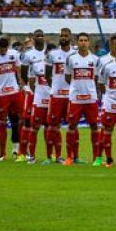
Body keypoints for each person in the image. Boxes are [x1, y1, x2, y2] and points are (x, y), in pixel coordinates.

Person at [63, 32, 100, 166]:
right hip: (75, 99)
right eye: (81, 40)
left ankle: (96, 157)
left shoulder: (95, 59)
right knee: (72, 125)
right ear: (77, 43)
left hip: (91, 98)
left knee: (94, 126)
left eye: (85, 40)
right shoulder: (71, 59)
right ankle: (70, 157)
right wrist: (76, 87)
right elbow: (67, 77)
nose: (83, 42)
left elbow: (96, 79)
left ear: (89, 43)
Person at [45, 28, 75, 162]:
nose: (63, 37)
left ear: (70, 37)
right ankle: (54, 156)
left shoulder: (75, 54)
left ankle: (73, 156)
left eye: (66, 35)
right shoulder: (52, 54)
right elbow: (47, 74)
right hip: (56, 95)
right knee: (53, 126)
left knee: (72, 126)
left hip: (72, 96)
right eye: (61, 36)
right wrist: (54, 87)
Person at [93, 35, 116, 166]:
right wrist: (106, 95)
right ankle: (99, 157)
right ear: (110, 45)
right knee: (105, 129)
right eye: (115, 44)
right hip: (108, 101)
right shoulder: (103, 60)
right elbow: (98, 80)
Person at [17, 29, 45, 162]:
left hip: (45, 91)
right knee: (27, 122)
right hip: (32, 92)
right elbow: (23, 73)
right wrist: (27, 86)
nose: (39, 38)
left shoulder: (50, 53)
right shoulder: (28, 55)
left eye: (41, 35)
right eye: (37, 36)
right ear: (33, 38)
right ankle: (22, 153)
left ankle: (51, 155)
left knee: (50, 123)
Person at [27, 42, 53, 164]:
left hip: (52, 101)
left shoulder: (60, 67)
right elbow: (31, 82)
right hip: (39, 102)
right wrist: (38, 93)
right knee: (35, 128)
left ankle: (50, 156)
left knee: (50, 128)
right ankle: (31, 156)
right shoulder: (37, 66)